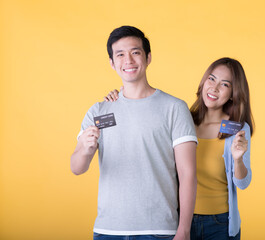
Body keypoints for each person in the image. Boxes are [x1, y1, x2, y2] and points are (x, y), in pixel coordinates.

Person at [71, 26, 198, 240]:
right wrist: (85, 148)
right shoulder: (99, 110)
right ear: (112, 63)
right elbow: (76, 167)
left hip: (159, 231)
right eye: (120, 54)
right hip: (108, 231)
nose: (128, 60)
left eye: (135, 52)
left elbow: (188, 173)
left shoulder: (174, 108)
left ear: (148, 58)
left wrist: (184, 230)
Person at [105, 57, 254, 240]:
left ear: (233, 93)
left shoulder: (237, 129)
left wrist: (238, 159)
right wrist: (121, 98)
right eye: (212, 79)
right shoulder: (182, 118)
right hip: (179, 220)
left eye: (225, 84)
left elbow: (243, 183)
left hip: (220, 224)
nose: (214, 88)